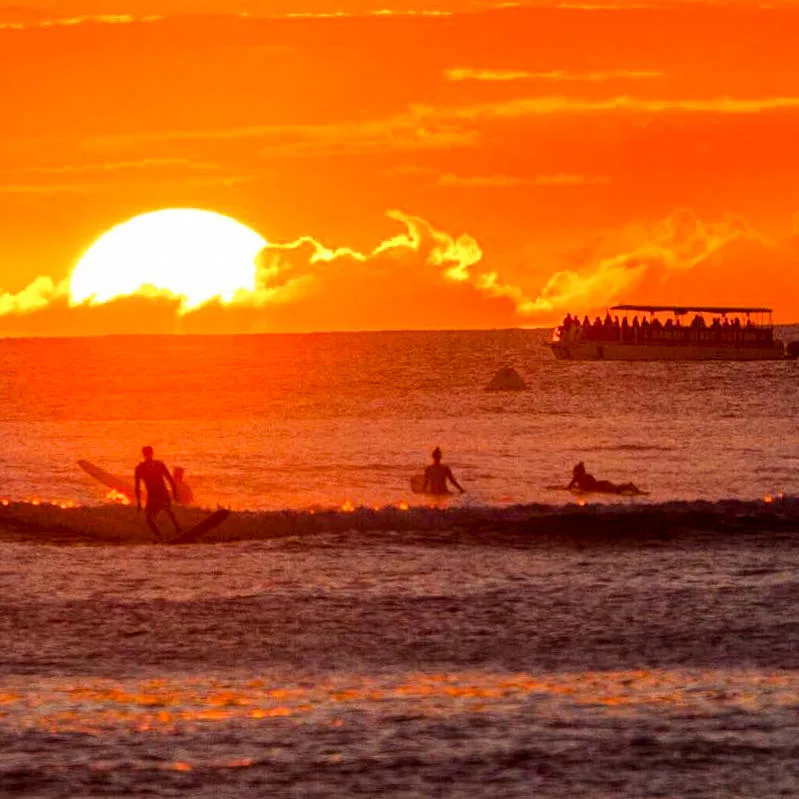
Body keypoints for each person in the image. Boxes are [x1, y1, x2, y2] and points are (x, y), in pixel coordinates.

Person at [134, 446, 180, 541]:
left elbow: (170, 479)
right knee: (149, 518)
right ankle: (160, 537)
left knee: (168, 511)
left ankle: (178, 531)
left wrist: (175, 493)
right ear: (144, 454)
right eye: (147, 454)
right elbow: (137, 487)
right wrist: (138, 503)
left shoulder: (158, 465)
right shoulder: (140, 468)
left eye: (149, 453)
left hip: (162, 493)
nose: (148, 455)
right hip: (153, 496)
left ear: (151, 453)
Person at [567, 461, 640, 494]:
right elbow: (569, 487)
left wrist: (576, 487)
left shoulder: (582, 478)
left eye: (575, 472)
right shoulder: (582, 477)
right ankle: (629, 486)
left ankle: (629, 485)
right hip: (602, 485)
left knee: (617, 490)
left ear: (580, 472)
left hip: (602, 486)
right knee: (617, 489)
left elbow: (569, 488)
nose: (574, 474)